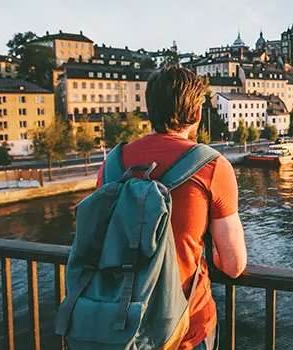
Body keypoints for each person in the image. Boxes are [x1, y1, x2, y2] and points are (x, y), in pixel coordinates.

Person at [96, 66, 247, 350]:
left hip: (119, 322)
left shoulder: (112, 164)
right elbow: (234, 265)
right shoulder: (213, 167)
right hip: (185, 328)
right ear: (199, 114)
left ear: (149, 109)